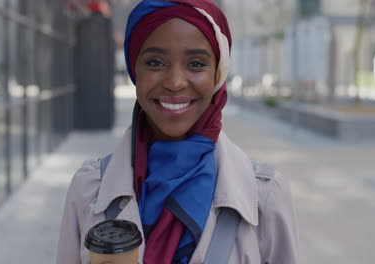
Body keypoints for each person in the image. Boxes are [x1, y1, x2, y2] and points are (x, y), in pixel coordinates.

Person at [56, 0, 299, 263]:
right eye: (155, 62)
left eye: (195, 64)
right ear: (133, 69)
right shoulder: (89, 189)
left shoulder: (264, 197)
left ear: (218, 73)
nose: (174, 83)